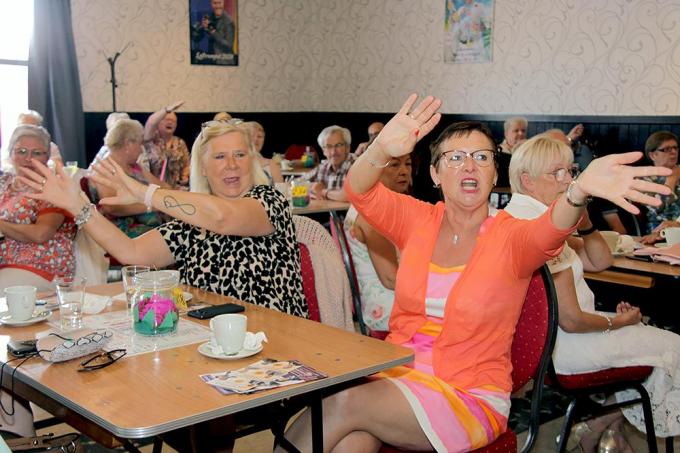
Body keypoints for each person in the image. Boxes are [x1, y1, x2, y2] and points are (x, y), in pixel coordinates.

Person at [280, 94, 671, 452]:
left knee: (342, 402)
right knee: (353, 441)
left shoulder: (511, 237)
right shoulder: (417, 220)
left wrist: (578, 191)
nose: (470, 165)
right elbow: (359, 190)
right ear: (434, 173)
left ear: (493, 171)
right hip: (399, 377)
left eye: (482, 157)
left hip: (469, 394)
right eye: (455, 157)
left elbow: (553, 228)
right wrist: (382, 147)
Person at [20, 120, 308, 319]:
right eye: (219, 157)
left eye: (240, 155)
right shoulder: (191, 222)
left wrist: (145, 193)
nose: (231, 164)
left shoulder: (269, 201)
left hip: (273, 341)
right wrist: (79, 206)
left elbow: (222, 217)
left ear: (252, 161)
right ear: (204, 169)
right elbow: (130, 252)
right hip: (210, 345)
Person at [505, 134, 680, 451]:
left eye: (570, 171)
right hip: (566, 350)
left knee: (652, 348)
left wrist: (583, 222)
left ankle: (605, 429)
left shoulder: (526, 219)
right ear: (527, 180)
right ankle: (599, 427)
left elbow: (600, 261)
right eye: (557, 173)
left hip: (546, 349)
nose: (569, 180)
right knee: (674, 347)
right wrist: (620, 323)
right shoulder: (539, 232)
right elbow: (570, 320)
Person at [0, 125, 75, 292]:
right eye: (21, 151)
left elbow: (41, 233)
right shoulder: (4, 183)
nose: (28, 158)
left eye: (36, 153)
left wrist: (2, 226)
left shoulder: (53, 187)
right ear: (11, 154)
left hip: (40, 266)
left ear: (47, 157)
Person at [344, 154, 411, 332]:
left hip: (393, 292)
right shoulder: (371, 215)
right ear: (374, 171)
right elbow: (390, 279)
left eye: (408, 164)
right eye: (395, 165)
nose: (404, 171)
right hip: (383, 304)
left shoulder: (384, 205)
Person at [85, 119, 164, 238]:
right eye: (140, 143)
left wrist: (169, 200)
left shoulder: (135, 167)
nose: (141, 149)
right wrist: (153, 205)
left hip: (148, 225)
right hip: (121, 232)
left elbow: (163, 187)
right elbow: (112, 208)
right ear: (128, 144)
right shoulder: (104, 168)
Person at [143, 101, 191, 190]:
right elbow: (150, 123)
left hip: (175, 189)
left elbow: (186, 164)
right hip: (154, 188)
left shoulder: (180, 143)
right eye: (166, 119)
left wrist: (185, 176)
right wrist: (166, 110)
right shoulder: (151, 140)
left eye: (173, 121)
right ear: (158, 123)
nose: (170, 122)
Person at [303, 125, 356, 201]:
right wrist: (313, 187)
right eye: (328, 146)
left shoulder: (356, 165)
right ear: (323, 151)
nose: (333, 151)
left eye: (338, 145)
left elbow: (351, 195)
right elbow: (295, 183)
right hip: (328, 211)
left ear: (348, 147)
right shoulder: (323, 167)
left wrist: (324, 192)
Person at [641, 131, 680, 234]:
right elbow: (658, 207)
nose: (674, 152)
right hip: (659, 232)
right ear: (653, 155)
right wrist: (671, 179)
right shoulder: (644, 179)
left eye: (675, 148)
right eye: (667, 149)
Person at [191, 0, 236, 64]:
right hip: (211, 60)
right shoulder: (210, 17)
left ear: (223, 3)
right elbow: (197, 39)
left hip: (224, 62)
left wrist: (212, 31)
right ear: (211, 3)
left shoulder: (228, 21)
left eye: (219, 3)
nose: (217, 6)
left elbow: (228, 45)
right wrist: (200, 28)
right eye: (215, 3)